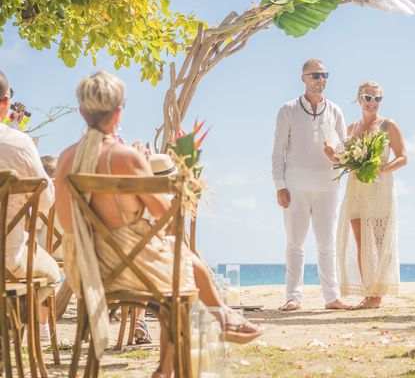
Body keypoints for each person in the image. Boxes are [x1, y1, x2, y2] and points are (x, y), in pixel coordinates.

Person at [54, 71, 263, 378]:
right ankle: (216, 323)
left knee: (182, 266)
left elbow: (65, 222)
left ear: (83, 112)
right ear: (119, 110)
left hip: (84, 267)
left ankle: (208, 332)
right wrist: (141, 166)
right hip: (129, 268)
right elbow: (167, 219)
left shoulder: (65, 159)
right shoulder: (126, 157)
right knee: (184, 266)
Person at [272, 59, 352, 311]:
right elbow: (277, 151)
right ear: (303, 78)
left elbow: (344, 150)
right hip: (295, 186)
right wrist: (280, 185)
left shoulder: (335, 110)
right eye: (316, 75)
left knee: (327, 243)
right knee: (295, 243)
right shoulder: (288, 110)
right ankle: (293, 297)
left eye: (325, 74)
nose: (321, 79)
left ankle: (332, 297)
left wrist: (336, 156)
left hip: (328, 185)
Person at [326, 81, 407, 309]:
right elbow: (344, 160)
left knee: (378, 243)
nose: (373, 103)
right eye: (369, 98)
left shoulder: (388, 125)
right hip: (357, 190)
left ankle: (377, 295)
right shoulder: (351, 128)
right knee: (362, 242)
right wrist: (332, 155)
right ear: (359, 99)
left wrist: (382, 168)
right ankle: (369, 293)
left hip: (380, 189)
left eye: (378, 98)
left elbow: (403, 157)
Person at [0, 70, 60, 342]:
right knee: (53, 274)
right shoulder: (20, 143)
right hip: (10, 263)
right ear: (5, 103)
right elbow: (46, 200)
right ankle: (13, 337)